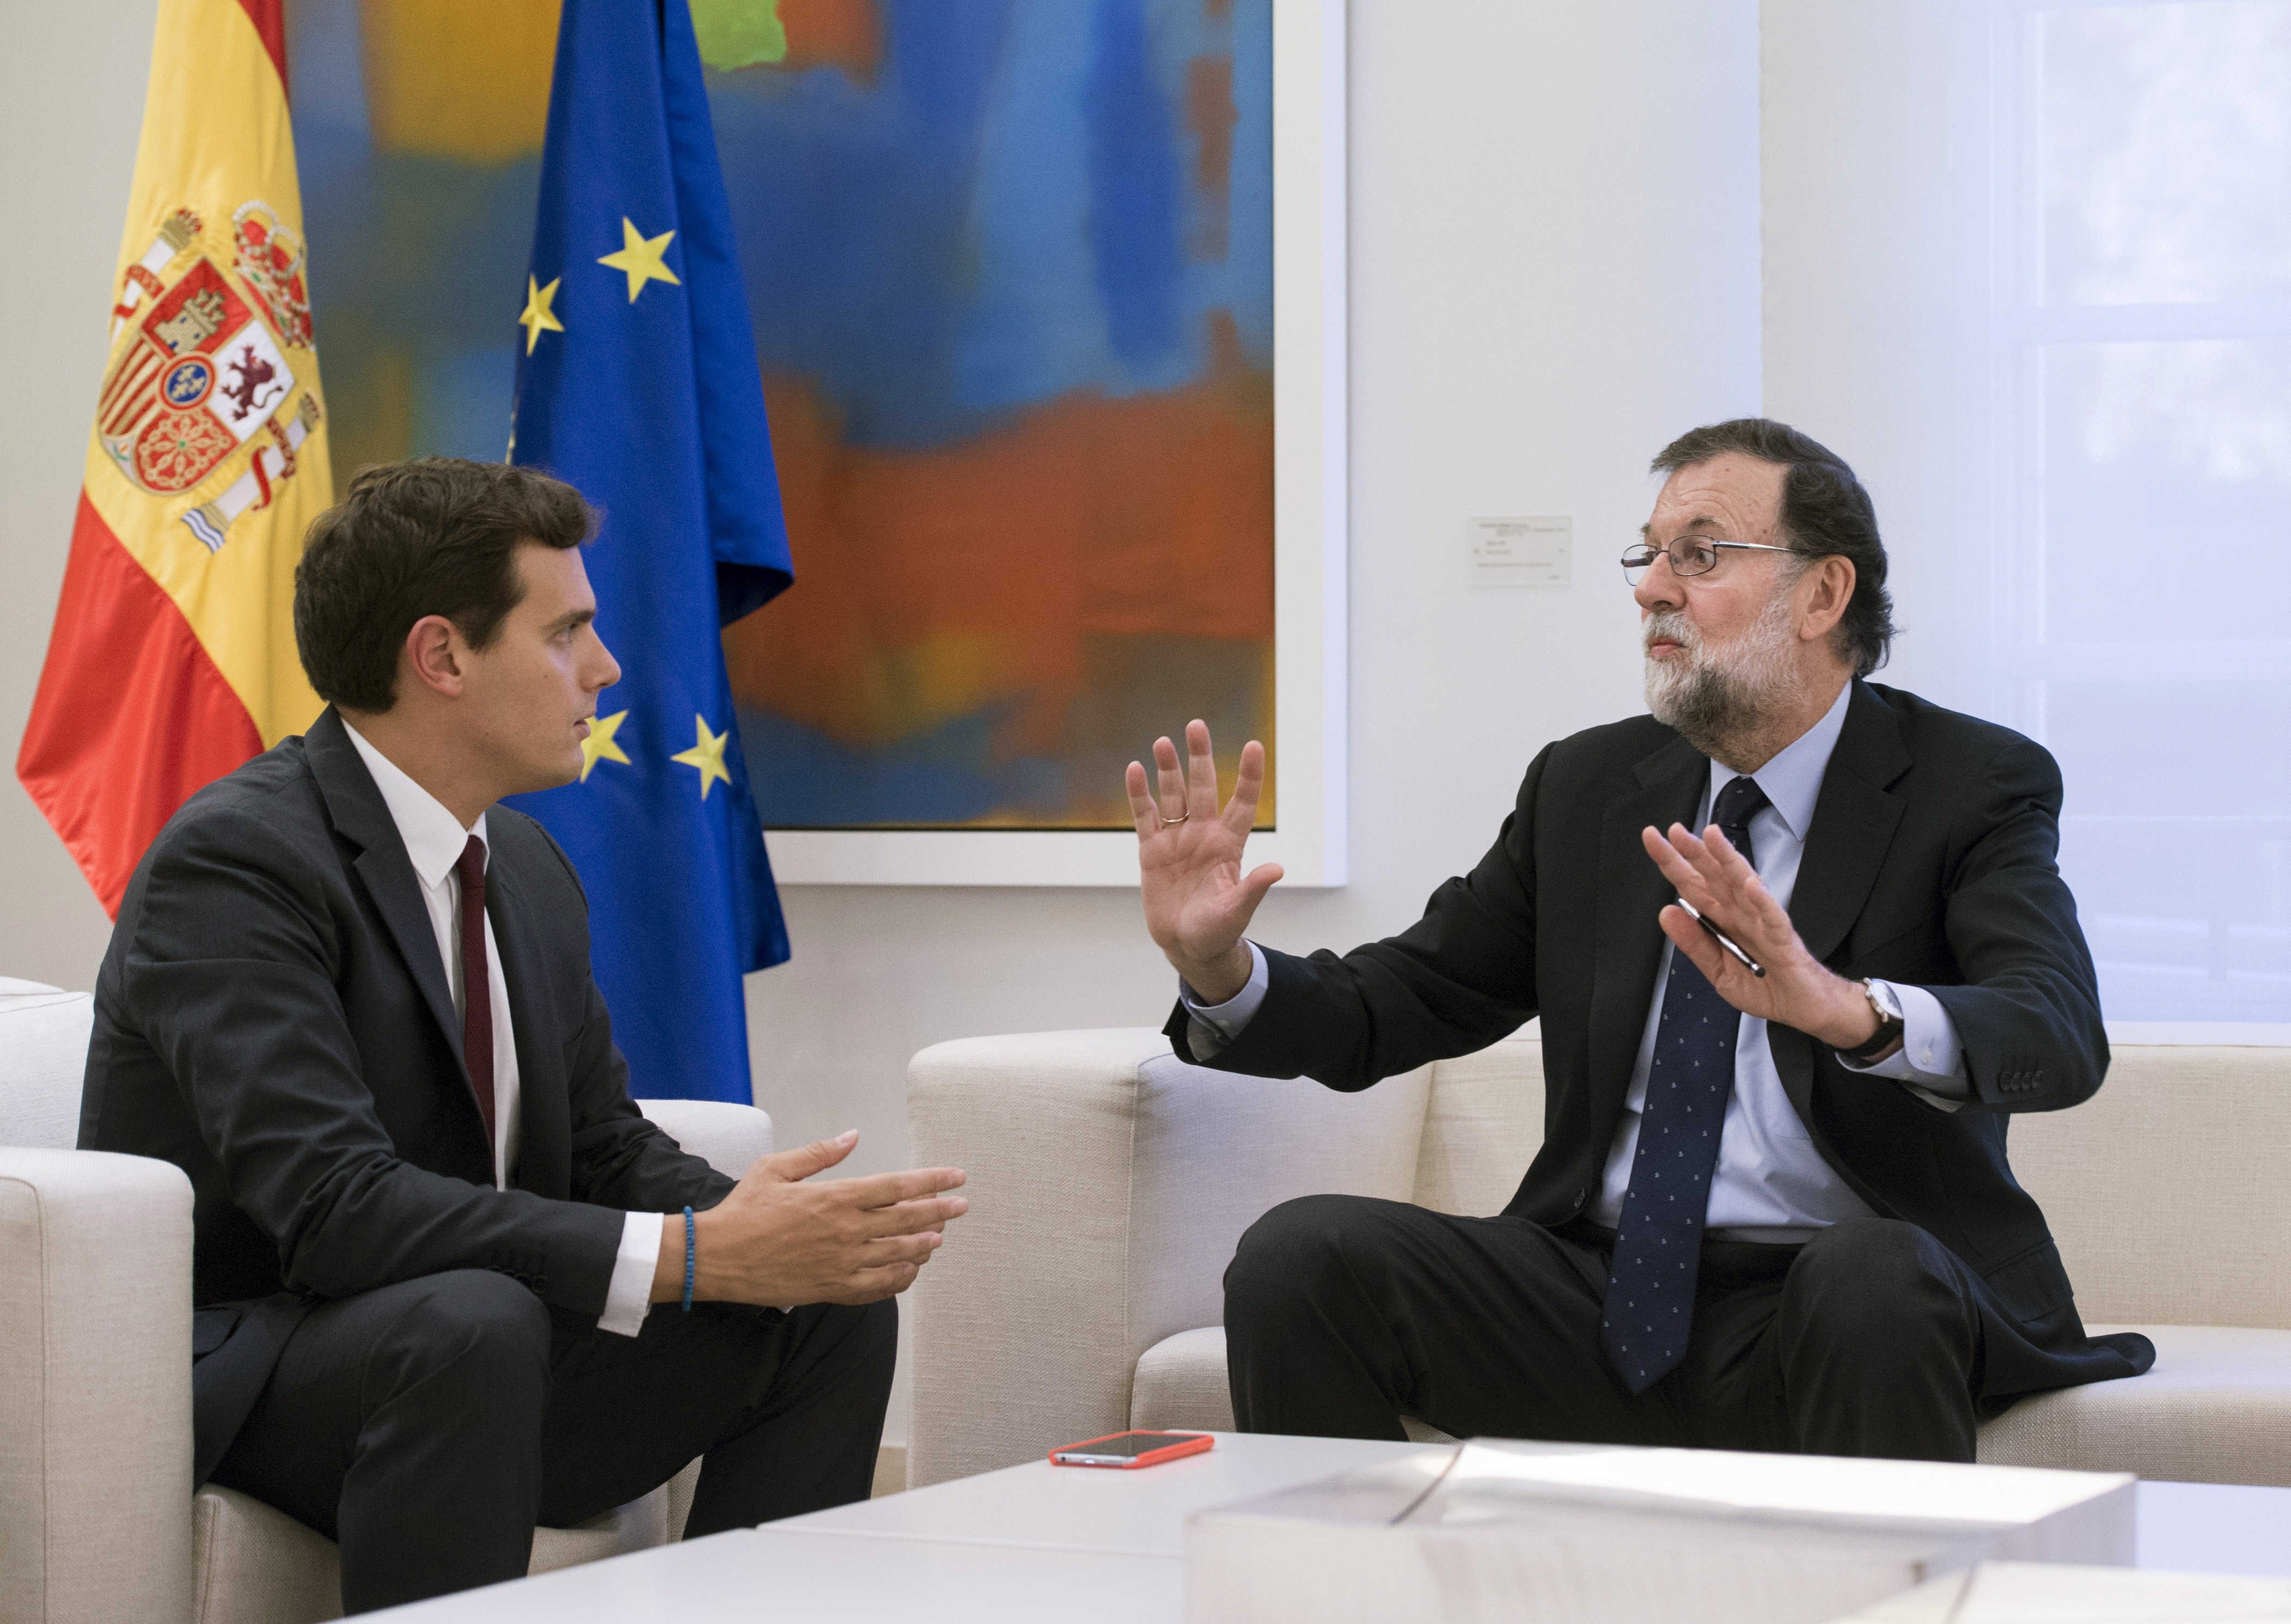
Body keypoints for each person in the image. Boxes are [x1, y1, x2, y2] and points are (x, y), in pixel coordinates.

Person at [1127, 418, 2152, 1463]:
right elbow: (1403, 997)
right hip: (1598, 1293)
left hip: (1831, 1306)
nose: (1652, 588)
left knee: (1875, 1277)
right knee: (1301, 1258)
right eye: (1650, 554)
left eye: (1699, 555)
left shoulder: (1968, 783)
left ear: (1823, 595)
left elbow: (2055, 1030)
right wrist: (1217, 966)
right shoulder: (1588, 787)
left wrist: (1845, 1007)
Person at [78, 459, 969, 1614]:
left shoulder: (529, 870)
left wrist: (764, 1231)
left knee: (821, 1312)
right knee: (473, 1324)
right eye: (567, 636)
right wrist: (692, 1259)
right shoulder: (239, 865)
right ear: (441, 657)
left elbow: (601, 1145)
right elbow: (335, 1212)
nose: (604, 670)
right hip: (269, 1371)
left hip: (468, 1355)